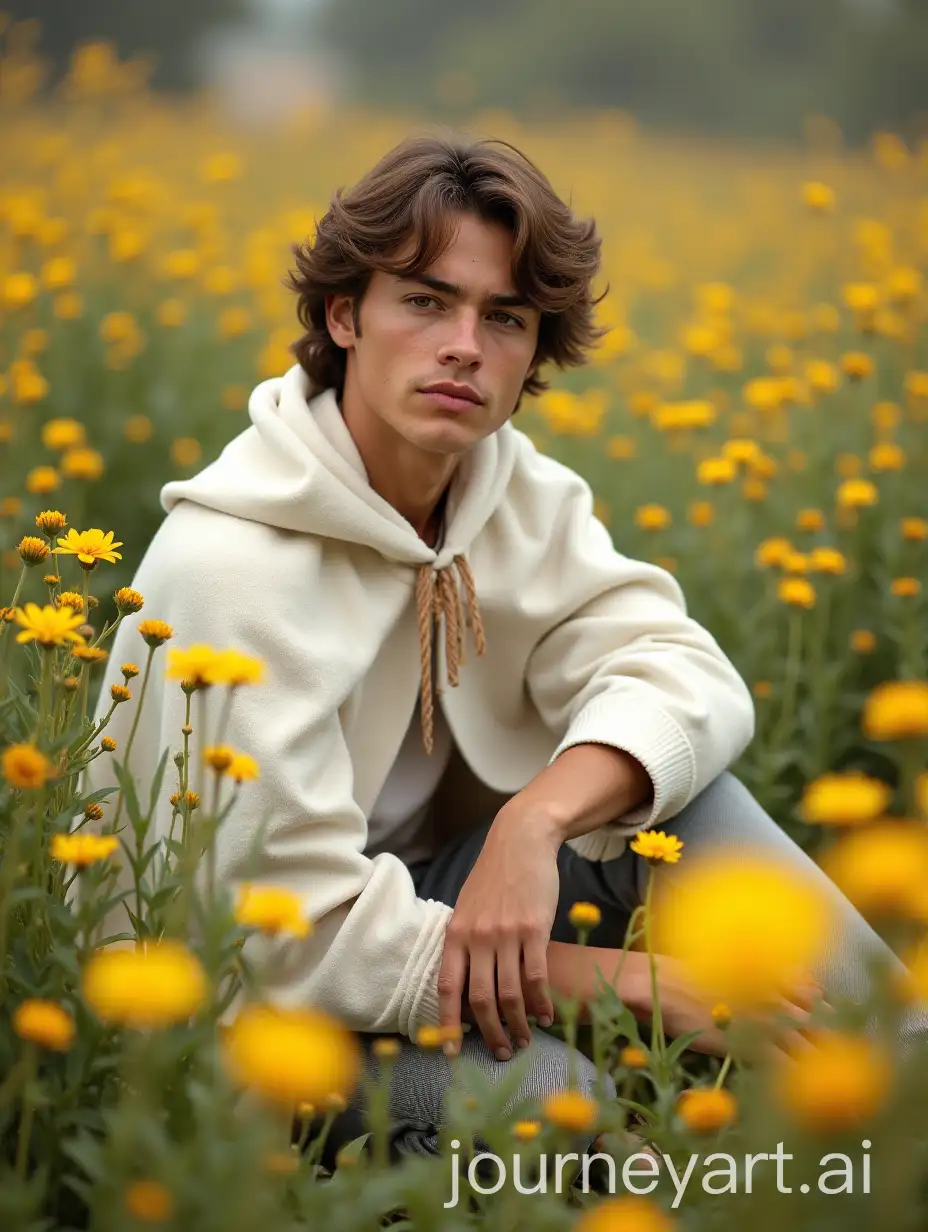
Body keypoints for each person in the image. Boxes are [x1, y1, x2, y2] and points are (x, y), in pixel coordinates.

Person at [78, 131, 926, 1162]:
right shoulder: (233, 562)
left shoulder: (512, 494)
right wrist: (635, 982)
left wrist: (538, 819)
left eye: (505, 317)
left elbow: (684, 672)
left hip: (435, 903)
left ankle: (902, 1079)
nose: (463, 345)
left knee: (673, 792)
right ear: (345, 315)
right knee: (553, 1101)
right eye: (425, 300)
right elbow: (277, 930)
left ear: (532, 356)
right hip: (244, 1010)